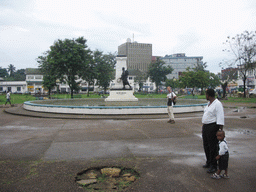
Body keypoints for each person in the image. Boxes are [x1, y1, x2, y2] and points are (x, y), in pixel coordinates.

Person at [202, 89, 224, 173]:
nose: (205, 96)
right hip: (206, 126)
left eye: (206, 94)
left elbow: (220, 116)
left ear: (209, 95)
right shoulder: (209, 104)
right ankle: (209, 162)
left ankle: (214, 165)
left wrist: (220, 129)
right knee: (206, 145)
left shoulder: (217, 104)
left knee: (213, 147)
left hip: (212, 126)